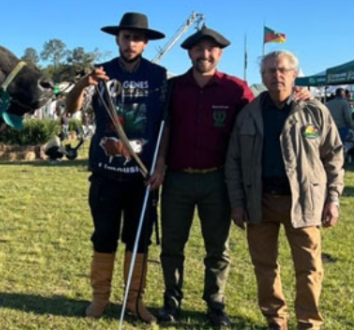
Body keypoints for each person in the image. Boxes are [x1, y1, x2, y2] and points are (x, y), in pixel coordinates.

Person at [225, 50, 344, 330]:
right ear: (262, 77)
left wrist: (333, 199)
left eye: (282, 70)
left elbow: (334, 156)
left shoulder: (314, 110)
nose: (276, 75)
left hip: (305, 202)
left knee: (309, 268)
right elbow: (234, 162)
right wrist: (238, 203)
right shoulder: (249, 114)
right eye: (269, 71)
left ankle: (308, 322)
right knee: (265, 268)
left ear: (294, 74)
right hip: (260, 202)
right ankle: (276, 319)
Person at [64, 12, 167, 322]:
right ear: (117, 39)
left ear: (146, 43)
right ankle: (100, 298)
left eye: (137, 38)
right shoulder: (100, 73)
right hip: (106, 174)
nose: (131, 42)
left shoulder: (158, 76)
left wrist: (161, 163)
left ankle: (135, 302)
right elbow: (71, 109)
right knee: (104, 235)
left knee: (139, 239)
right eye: (126, 37)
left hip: (143, 176)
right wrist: (83, 83)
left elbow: (166, 123)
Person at [148, 27, 252, 328]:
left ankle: (216, 303)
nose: (204, 55)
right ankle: (171, 300)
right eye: (198, 49)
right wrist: (161, 162)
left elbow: (258, 116)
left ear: (219, 54)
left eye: (211, 50)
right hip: (177, 179)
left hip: (217, 180)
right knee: (171, 245)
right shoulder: (174, 87)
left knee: (218, 248)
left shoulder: (236, 89)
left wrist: (301, 94)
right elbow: (165, 127)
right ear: (189, 53)